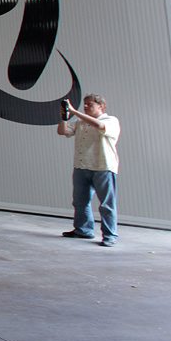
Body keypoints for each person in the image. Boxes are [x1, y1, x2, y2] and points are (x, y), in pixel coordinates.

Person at [57, 93, 120, 246]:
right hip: (81, 166)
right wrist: (64, 117)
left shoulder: (110, 120)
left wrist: (74, 111)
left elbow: (100, 126)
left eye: (89, 104)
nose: (85, 107)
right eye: (84, 104)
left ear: (101, 106)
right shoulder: (80, 122)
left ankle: (110, 236)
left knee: (106, 204)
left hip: (102, 167)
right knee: (80, 201)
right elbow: (63, 132)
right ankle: (83, 230)